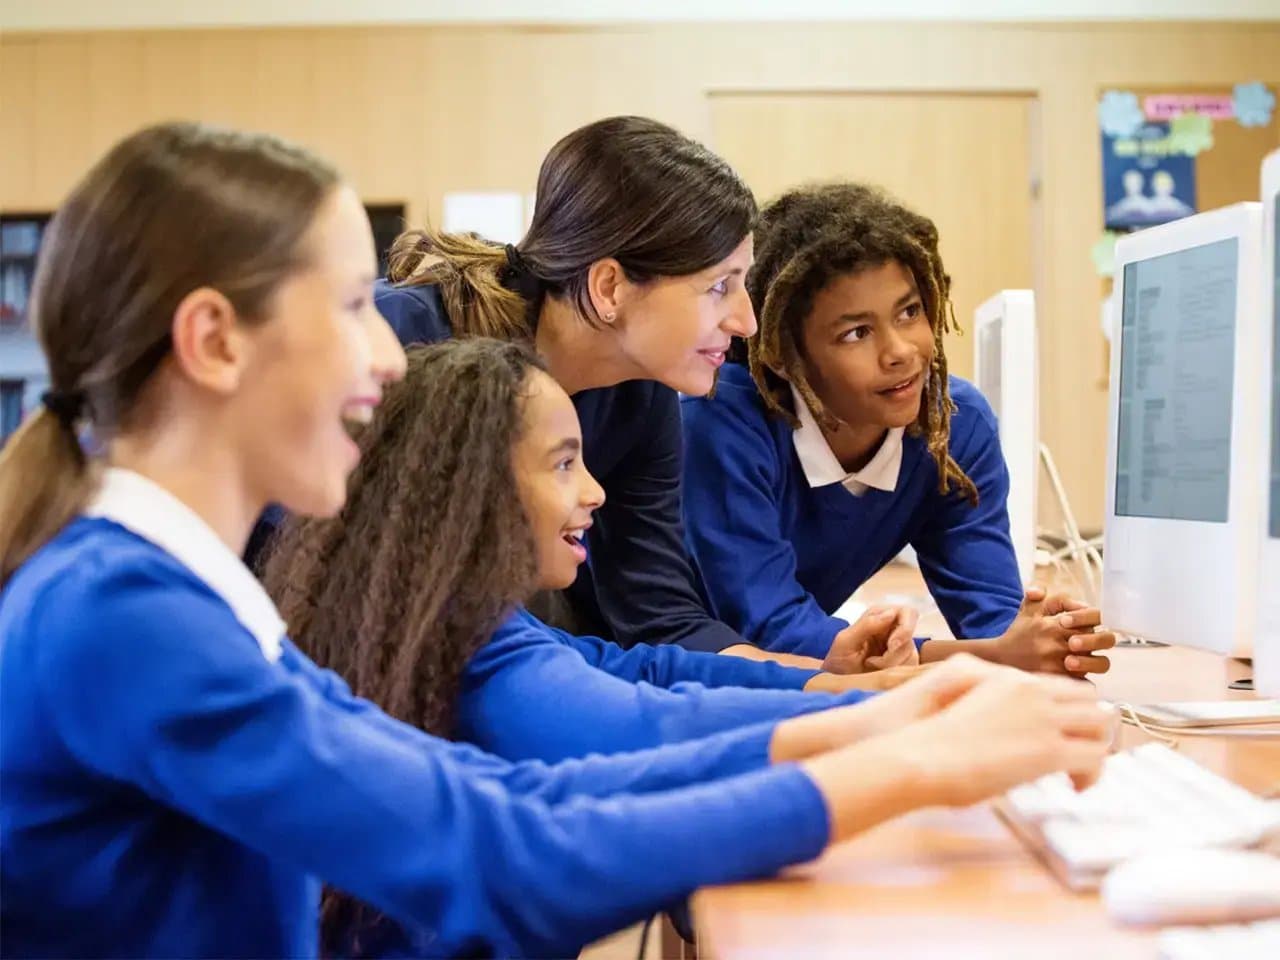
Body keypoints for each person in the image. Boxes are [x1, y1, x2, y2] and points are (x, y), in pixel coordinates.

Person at [0, 123, 1111, 959]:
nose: (388, 359)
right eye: (350, 307)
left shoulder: (166, 598)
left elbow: (506, 799)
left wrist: (884, 718)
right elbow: (496, 855)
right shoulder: (126, 619)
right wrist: (906, 758)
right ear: (213, 342)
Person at [344, 115, 915, 668]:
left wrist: (814, 671)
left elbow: (661, 617)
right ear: (610, 286)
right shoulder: (401, 343)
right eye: (719, 287)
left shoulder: (642, 397)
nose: (747, 322)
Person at [681, 183, 1116, 675]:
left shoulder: (953, 423)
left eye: (909, 312)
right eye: (856, 333)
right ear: (781, 354)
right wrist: (981, 656)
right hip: (670, 671)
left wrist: (1039, 641)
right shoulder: (722, 419)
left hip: (789, 681)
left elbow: (991, 617)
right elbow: (770, 624)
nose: (901, 351)